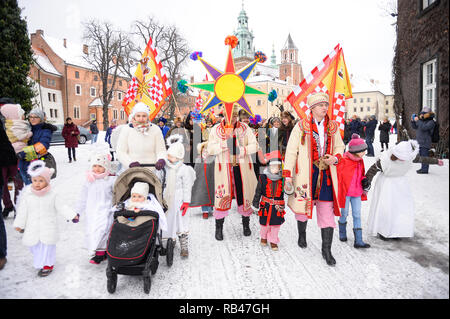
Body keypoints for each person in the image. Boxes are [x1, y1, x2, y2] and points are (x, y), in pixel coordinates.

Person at [283, 92, 345, 266]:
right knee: (302, 208)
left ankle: (327, 250)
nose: (325, 108)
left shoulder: (333, 126)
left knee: (327, 211)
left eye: (326, 104)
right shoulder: (301, 126)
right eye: (321, 105)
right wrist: (287, 174)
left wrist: (336, 157)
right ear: (312, 108)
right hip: (306, 174)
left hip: (326, 174)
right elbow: (291, 150)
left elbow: (340, 146)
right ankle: (302, 234)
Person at [365, 140, 443, 240]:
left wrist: (436, 161)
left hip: (401, 184)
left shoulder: (409, 157)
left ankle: (397, 231)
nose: (403, 160)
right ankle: (383, 230)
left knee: (400, 208)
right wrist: (367, 182)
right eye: (401, 158)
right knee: (386, 208)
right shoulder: (385, 159)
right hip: (386, 185)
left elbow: (422, 159)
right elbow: (372, 170)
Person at [13, 161, 79, 277]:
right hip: (33, 227)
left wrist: (72, 215)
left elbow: (62, 207)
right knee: (35, 246)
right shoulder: (28, 195)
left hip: (48, 226)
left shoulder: (52, 195)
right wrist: (20, 224)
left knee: (47, 246)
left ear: (47, 181)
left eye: (41, 180)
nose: (37, 183)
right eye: (35, 180)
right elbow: (23, 211)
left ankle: (48, 264)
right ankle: (40, 261)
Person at [207, 107, 258, 241]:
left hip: (242, 169)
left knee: (244, 195)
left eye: (234, 116)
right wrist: (224, 144)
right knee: (222, 195)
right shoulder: (216, 129)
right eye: (229, 116)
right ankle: (218, 227)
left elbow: (255, 145)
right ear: (224, 115)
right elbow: (210, 149)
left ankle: (246, 225)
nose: (232, 119)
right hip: (224, 169)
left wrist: (242, 150)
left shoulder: (245, 128)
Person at [75, 149, 116, 264]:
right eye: (95, 166)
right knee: (92, 230)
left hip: (106, 209)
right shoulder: (89, 181)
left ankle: (101, 253)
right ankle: (97, 250)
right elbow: (82, 197)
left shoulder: (111, 180)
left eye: (100, 166)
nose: (97, 169)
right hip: (92, 210)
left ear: (106, 167)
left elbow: (117, 193)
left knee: (104, 229)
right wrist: (77, 212)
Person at [162, 134, 196, 257]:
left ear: (179, 156)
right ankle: (169, 242)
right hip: (168, 198)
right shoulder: (164, 168)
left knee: (182, 221)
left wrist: (186, 201)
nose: (169, 158)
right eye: (168, 155)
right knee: (169, 220)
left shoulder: (184, 169)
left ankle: (184, 244)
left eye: (172, 156)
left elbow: (187, 186)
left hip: (180, 198)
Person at [336, 134, 371, 248]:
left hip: (357, 192)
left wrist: (364, 180)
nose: (365, 153)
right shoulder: (344, 160)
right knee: (344, 213)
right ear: (356, 151)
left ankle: (358, 240)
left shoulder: (360, 161)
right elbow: (339, 176)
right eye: (363, 151)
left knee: (357, 214)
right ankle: (342, 233)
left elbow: (361, 175)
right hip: (346, 193)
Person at [116, 102, 167, 172]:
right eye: (138, 116)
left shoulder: (155, 129)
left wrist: (161, 159)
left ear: (148, 117)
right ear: (134, 116)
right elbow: (121, 151)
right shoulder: (126, 129)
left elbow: (161, 150)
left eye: (144, 116)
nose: (141, 118)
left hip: (152, 169)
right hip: (132, 169)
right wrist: (129, 163)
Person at [251, 151, 286, 251]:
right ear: (269, 166)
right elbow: (258, 192)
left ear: (280, 167)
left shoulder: (282, 179)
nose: (274, 168)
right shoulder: (263, 177)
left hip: (277, 207)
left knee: (276, 225)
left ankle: (274, 241)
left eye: (277, 166)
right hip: (265, 205)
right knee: (264, 224)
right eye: (272, 166)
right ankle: (264, 237)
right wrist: (255, 204)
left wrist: (289, 186)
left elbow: (288, 191)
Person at [0, 103, 27, 217]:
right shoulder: (3, 125)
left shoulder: (23, 125)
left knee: (19, 183)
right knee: (3, 185)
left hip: (17, 158)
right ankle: (8, 205)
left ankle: (18, 206)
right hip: (2, 159)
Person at [17, 108, 56, 185]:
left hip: (36, 165)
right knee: (28, 190)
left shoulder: (45, 130)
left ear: (41, 118)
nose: (32, 119)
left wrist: (23, 154)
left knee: (37, 190)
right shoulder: (26, 129)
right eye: (31, 117)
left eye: (36, 117)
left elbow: (42, 146)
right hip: (23, 165)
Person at [0, 119, 18, 270]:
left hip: (10, 160)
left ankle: (0, 254)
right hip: (8, 160)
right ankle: (9, 206)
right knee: (6, 189)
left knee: (19, 186)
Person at [189, 141, 215, 219]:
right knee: (203, 194)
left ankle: (210, 208)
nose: (205, 152)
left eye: (207, 150)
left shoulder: (213, 159)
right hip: (202, 181)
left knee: (211, 193)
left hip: (210, 180)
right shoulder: (199, 159)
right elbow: (196, 170)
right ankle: (205, 212)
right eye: (204, 150)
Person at [411, 107, 436, 174]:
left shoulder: (431, 122)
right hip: (420, 141)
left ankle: (425, 170)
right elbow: (415, 127)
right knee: (422, 155)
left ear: (428, 114)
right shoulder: (422, 121)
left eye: (423, 114)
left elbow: (424, 127)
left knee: (424, 155)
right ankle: (423, 168)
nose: (421, 115)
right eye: (421, 114)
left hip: (425, 141)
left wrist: (418, 121)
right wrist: (413, 121)